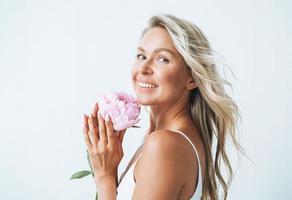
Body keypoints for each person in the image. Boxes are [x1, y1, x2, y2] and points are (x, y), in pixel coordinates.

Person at [83, 14, 243, 200]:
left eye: (162, 59)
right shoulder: (165, 138)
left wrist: (104, 176)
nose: (144, 69)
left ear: (192, 78)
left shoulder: (165, 144)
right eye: (141, 56)